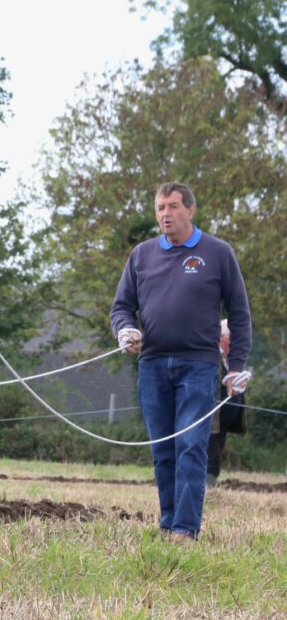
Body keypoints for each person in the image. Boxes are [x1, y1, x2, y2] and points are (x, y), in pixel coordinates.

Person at [111, 182, 252, 543]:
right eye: (160, 208)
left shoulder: (218, 253)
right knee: (163, 449)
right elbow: (122, 307)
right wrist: (125, 331)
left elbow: (239, 313)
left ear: (190, 210)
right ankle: (168, 522)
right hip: (153, 364)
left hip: (199, 366)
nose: (165, 214)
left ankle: (185, 530)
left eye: (173, 206)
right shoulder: (141, 256)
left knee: (191, 444)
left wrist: (235, 366)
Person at [207, 319, 246, 486]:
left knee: (216, 450)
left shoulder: (231, 360)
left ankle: (211, 484)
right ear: (222, 337)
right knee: (211, 451)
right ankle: (207, 487)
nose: (236, 343)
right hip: (211, 418)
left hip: (224, 420)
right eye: (233, 338)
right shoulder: (211, 357)